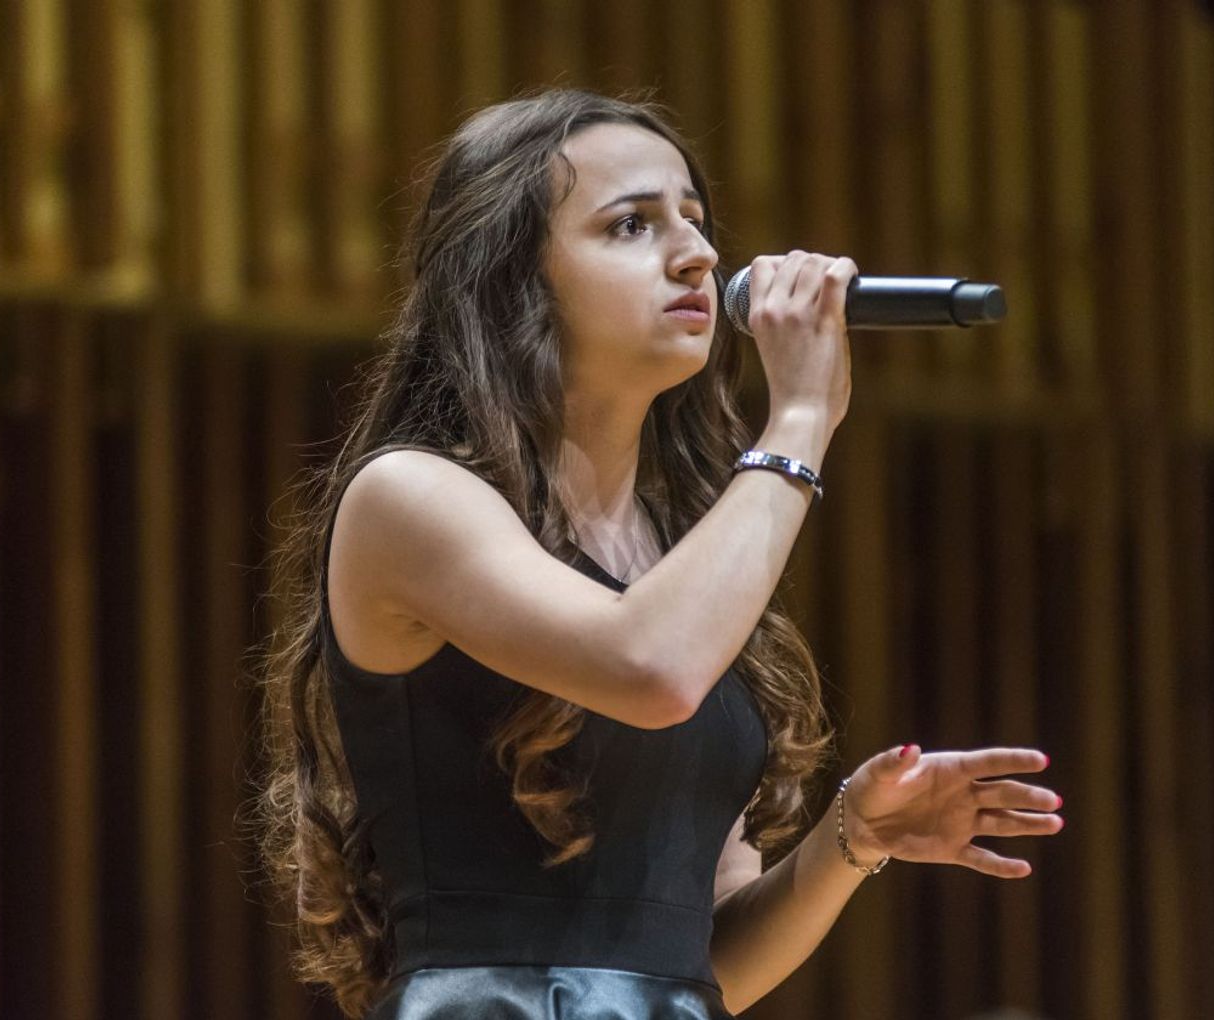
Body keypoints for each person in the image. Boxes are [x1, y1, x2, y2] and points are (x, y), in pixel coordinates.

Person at [249, 87, 1064, 1019]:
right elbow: (650, 668)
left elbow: (693, 969)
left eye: (696, 218)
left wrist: (850, 840)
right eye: (632, 225)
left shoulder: (684, 553)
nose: (699, 254)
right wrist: (800, 417)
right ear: (510, 280)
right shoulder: (407, 497)